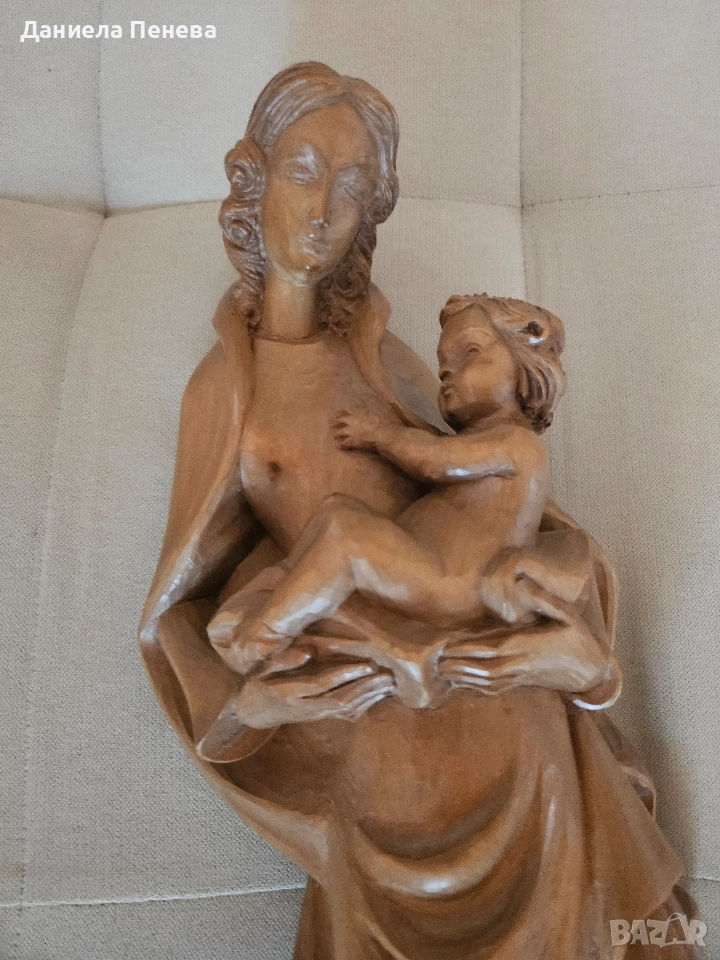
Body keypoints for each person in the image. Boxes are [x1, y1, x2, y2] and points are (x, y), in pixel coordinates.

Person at [139, 63, 699, 960]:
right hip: (365, 684)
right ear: (252, 176)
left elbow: (504, 502)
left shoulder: (386, 359)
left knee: (553, 787)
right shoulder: (225, 389)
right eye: (303, 171)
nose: (323, 209)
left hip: (477, 656)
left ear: (373, 213)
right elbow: (176, 607)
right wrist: (252, 704)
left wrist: (574, 622)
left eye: (353, 188)